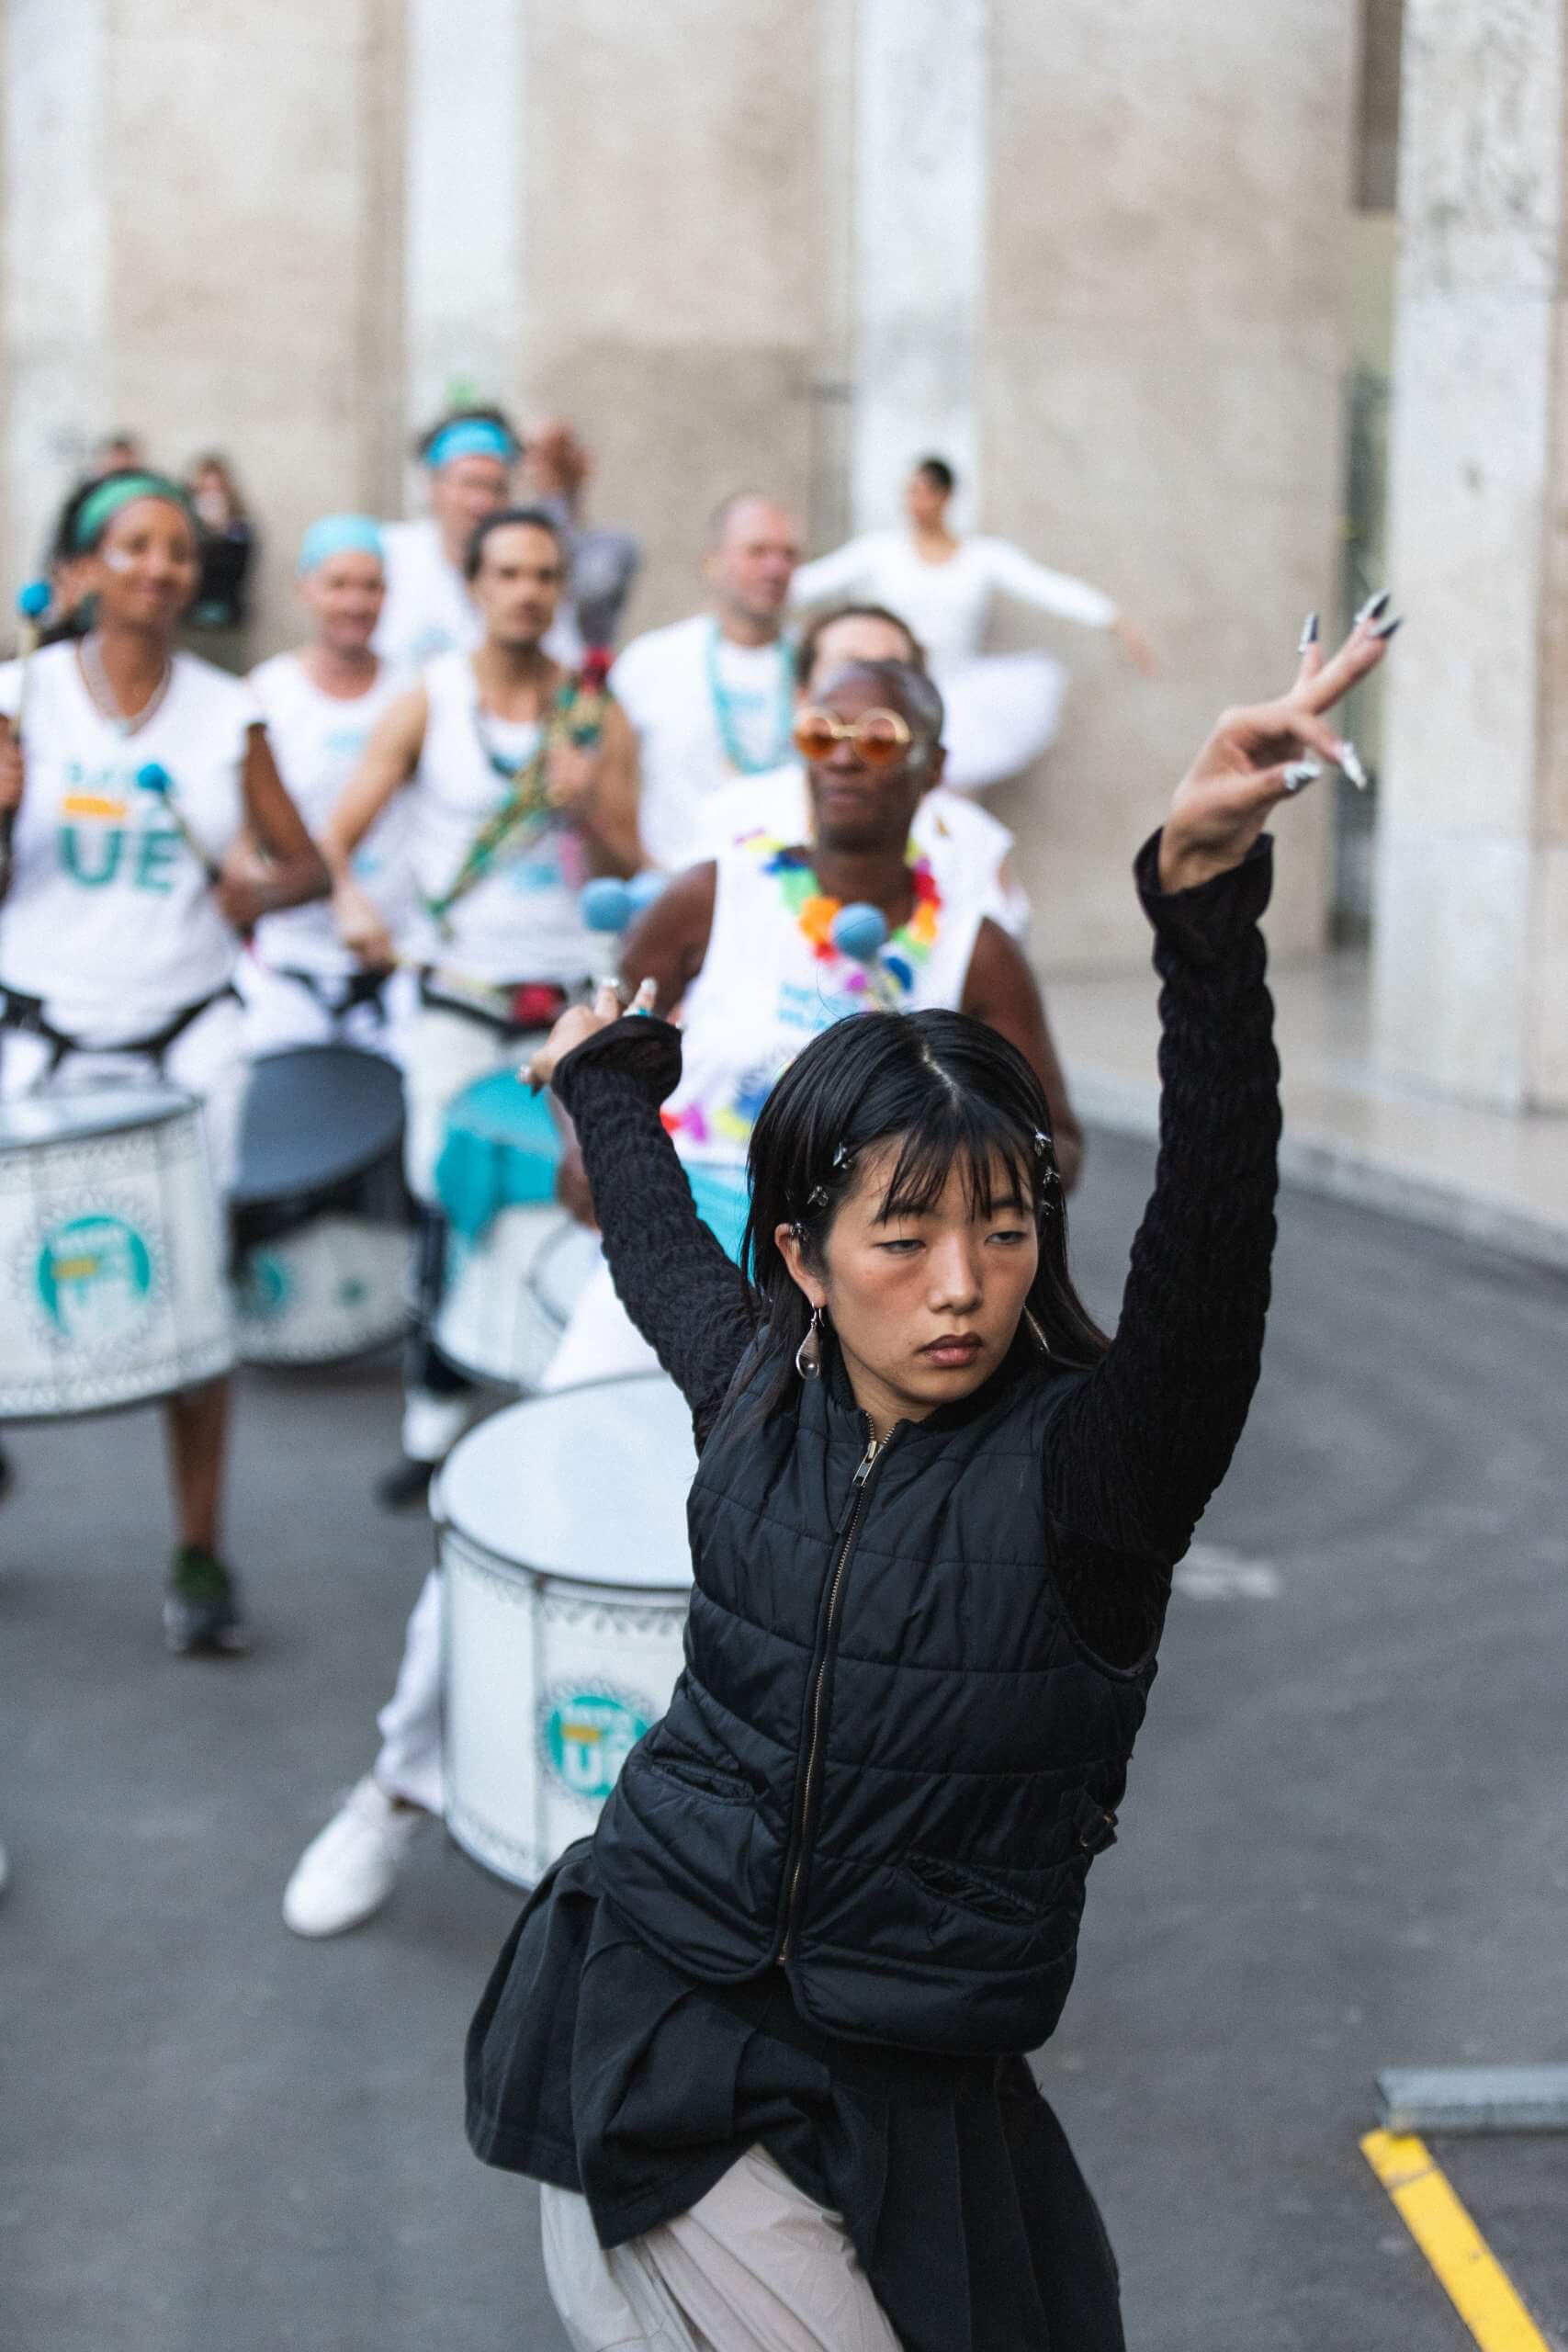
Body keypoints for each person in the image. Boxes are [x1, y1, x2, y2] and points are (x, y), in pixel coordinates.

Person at [462, 606, 1396, 2351]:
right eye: (904, 1235)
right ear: (806, 1258)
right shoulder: (754, 1380)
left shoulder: (1094, 1479)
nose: (963, 1281)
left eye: (1002, 1226)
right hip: (651, 2009)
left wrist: (1202, 909)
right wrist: (605, 1073)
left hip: (917, 2090)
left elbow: (1212, 1236)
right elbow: (657, 1232)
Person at [277, 655, 1071, 1941]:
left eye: (876, 731)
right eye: (821, 723)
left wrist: (964, 1154)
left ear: (928, 761)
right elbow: (606, 1038)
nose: (841, 751)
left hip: (858, 1304)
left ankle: (790, 1869)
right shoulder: (718, 892)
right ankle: (396, 1789)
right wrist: (599, 1150)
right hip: (681, 1249)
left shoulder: (972, 942)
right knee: (520, 1505)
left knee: (830, 1594)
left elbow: (1059, 1143)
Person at [0, 469, 328, 1651]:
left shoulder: (226, 711)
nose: (161, 567)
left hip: (190, 1043)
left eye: (180, 551)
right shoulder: (18, 698)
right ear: (81, 569)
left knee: (188, 1303)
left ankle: (198, 1550)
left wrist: (258, 884)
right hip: (38, 1041)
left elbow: (309, 869)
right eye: (135, 546)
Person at [321, 504, 640, 1510]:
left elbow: (643, 867)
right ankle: (431, 1420)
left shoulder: (596, 713)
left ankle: (570, 1401)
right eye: (507, 572)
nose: (527, 591)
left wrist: (588, 803)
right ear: (474, 586)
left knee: (588, 1200)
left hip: (570, 1004)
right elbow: (339, 835)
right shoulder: (432, 699)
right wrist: (353, 900)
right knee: (438, 1195)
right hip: (461, 992)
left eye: (544, 574)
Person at [792, 453, 1156, 791]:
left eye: (923, 491)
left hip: (959, 693)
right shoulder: (880, 552)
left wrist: (1111, 618)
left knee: (947, 785)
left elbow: (1043, 586)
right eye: (909, 491)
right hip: (895, 693)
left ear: (945, 496)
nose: (914, 501)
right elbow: (810, 583)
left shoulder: (982, 558)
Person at [694, 600, 1030, 935]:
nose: (868, 685)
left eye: (891, 669)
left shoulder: (972, 840)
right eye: (848, 667)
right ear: (803, 696)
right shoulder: (731, 814)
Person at [239, 514, 414, 1058]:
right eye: (339, 585)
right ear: (305, 590)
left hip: (396, 966)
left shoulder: (414, 692)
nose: (356, 603)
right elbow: (242, 837)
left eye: (371, 586)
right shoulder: (264, 695)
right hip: (288, 969)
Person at [611, 492, 800, 865]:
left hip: (790, 903)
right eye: (757, 552)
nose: (776, 569)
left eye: (789, 555)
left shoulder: (820, 665)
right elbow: (611, 786)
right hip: (674, 893)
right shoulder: (650, 662)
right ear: (712, 562)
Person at [375, 407, 582, 676]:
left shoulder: (532, 568)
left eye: (497, 488)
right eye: (470, 485)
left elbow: (566, 665)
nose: (482, 503)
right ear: (433, 487)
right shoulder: (387, 555)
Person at [521, 416, 642, 647]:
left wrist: (558, 494)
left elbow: (583, 589)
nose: (548, 463)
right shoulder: (503, 539)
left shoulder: (615, 548)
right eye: (533, 455)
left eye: (557, 454)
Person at [186, 452, 255, 630]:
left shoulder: (239, 528)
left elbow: (240, 571)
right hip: (189, 615)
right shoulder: (183, 524)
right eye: (205, 490)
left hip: (227, 617)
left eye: (216, 490)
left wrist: (223, 534)